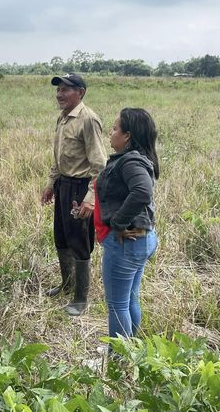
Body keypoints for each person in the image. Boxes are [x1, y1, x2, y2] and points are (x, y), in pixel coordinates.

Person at [41, 73, 107, 316]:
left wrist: (91, 199)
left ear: (80, 92)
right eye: (58, 89)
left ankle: (80, 298)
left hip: (80, 188)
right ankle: (67, 285)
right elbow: (58, 156)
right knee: (61, 237)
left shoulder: (88, 120)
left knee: (79, 241)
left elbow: (100, 165)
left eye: (66, 89)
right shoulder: (63, 118)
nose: (59, 94)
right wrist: (51, 184)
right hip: (64, 186)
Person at [95, 108, 159, 340]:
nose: (110, 133)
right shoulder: (136, 158)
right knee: (130, 298)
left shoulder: (131, 161)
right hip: (141, 238)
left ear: (127, 135)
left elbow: (142, 192)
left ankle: (119, 357)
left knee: (118, 305)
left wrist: (118, 223)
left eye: (115, 129)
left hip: (126, 242)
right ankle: (131, 350)